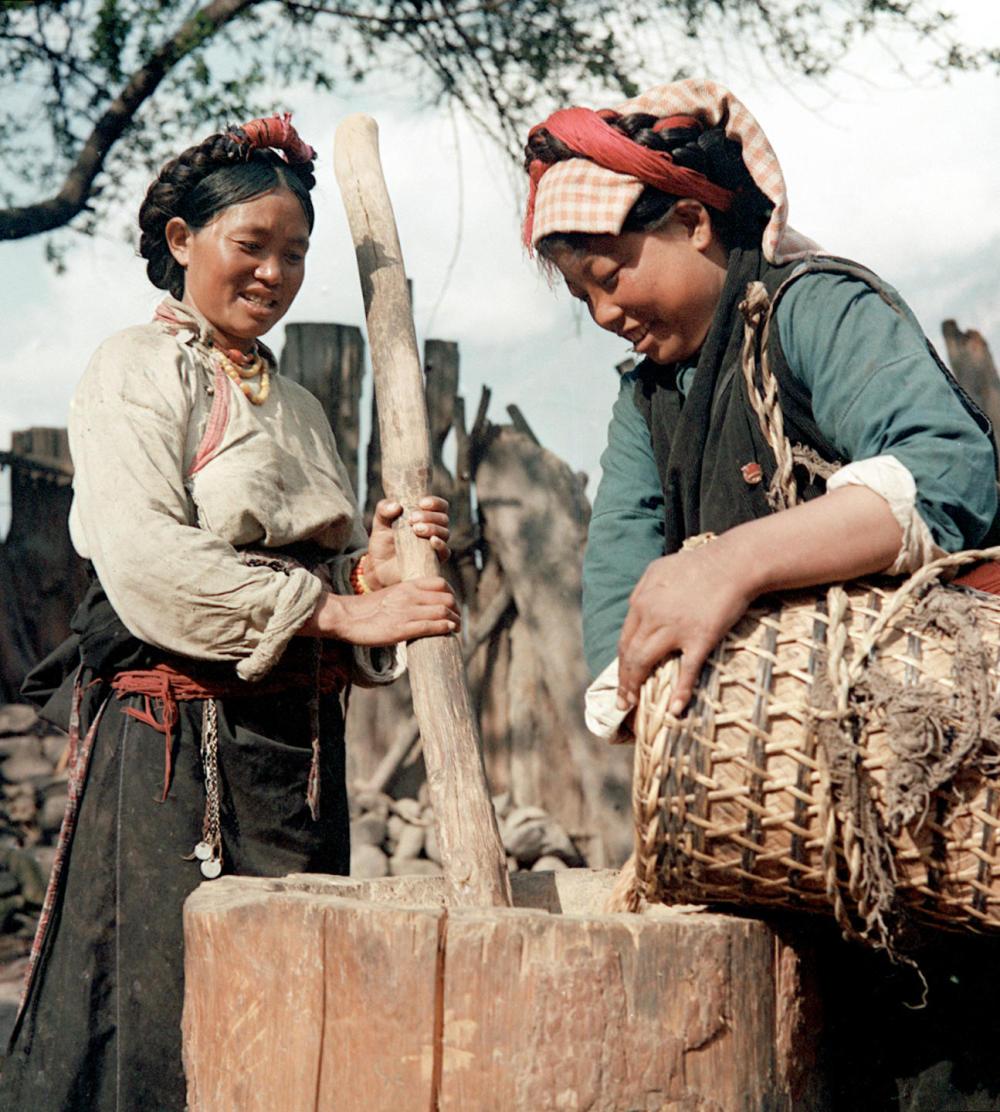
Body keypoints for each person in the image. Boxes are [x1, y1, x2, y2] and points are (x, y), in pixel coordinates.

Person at [1, 114, 459, 1111]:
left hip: (294, 759)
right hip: (178, 757)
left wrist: (371, 570)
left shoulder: (300, 407)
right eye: (250, 245)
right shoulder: (136, 368)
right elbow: (148, 560)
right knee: (171, 1026)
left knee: (298, 1018)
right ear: (181, 240)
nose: (273, 273)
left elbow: (323, 578)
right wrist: (335, 612)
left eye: (294, 254)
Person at [520, 79, 998, 736]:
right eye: (585, 300)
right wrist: (630, 687)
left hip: (938, 698)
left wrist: (730, 563)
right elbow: (621, 558)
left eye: (610, 278)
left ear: (692, 223)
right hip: (773, 731)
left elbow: (945, 474)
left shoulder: (816, 308)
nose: (604, 314)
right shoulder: (645, 401)